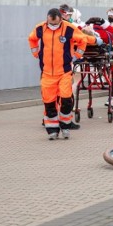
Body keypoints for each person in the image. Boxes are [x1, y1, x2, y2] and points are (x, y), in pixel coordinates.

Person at [28, 8, 87, 140]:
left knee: (66, 99)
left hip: (64, 72)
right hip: (47, 73)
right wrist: (35, 53)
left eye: (55, 24)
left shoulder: (69, 28)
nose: (53, 26)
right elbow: (32, 39)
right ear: (47, 18)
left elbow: (83, 40)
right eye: (51, 23)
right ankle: (52, 130)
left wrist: (77, 55)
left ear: (61, 19)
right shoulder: (40, 28)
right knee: (49, 102)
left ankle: (65, 126)